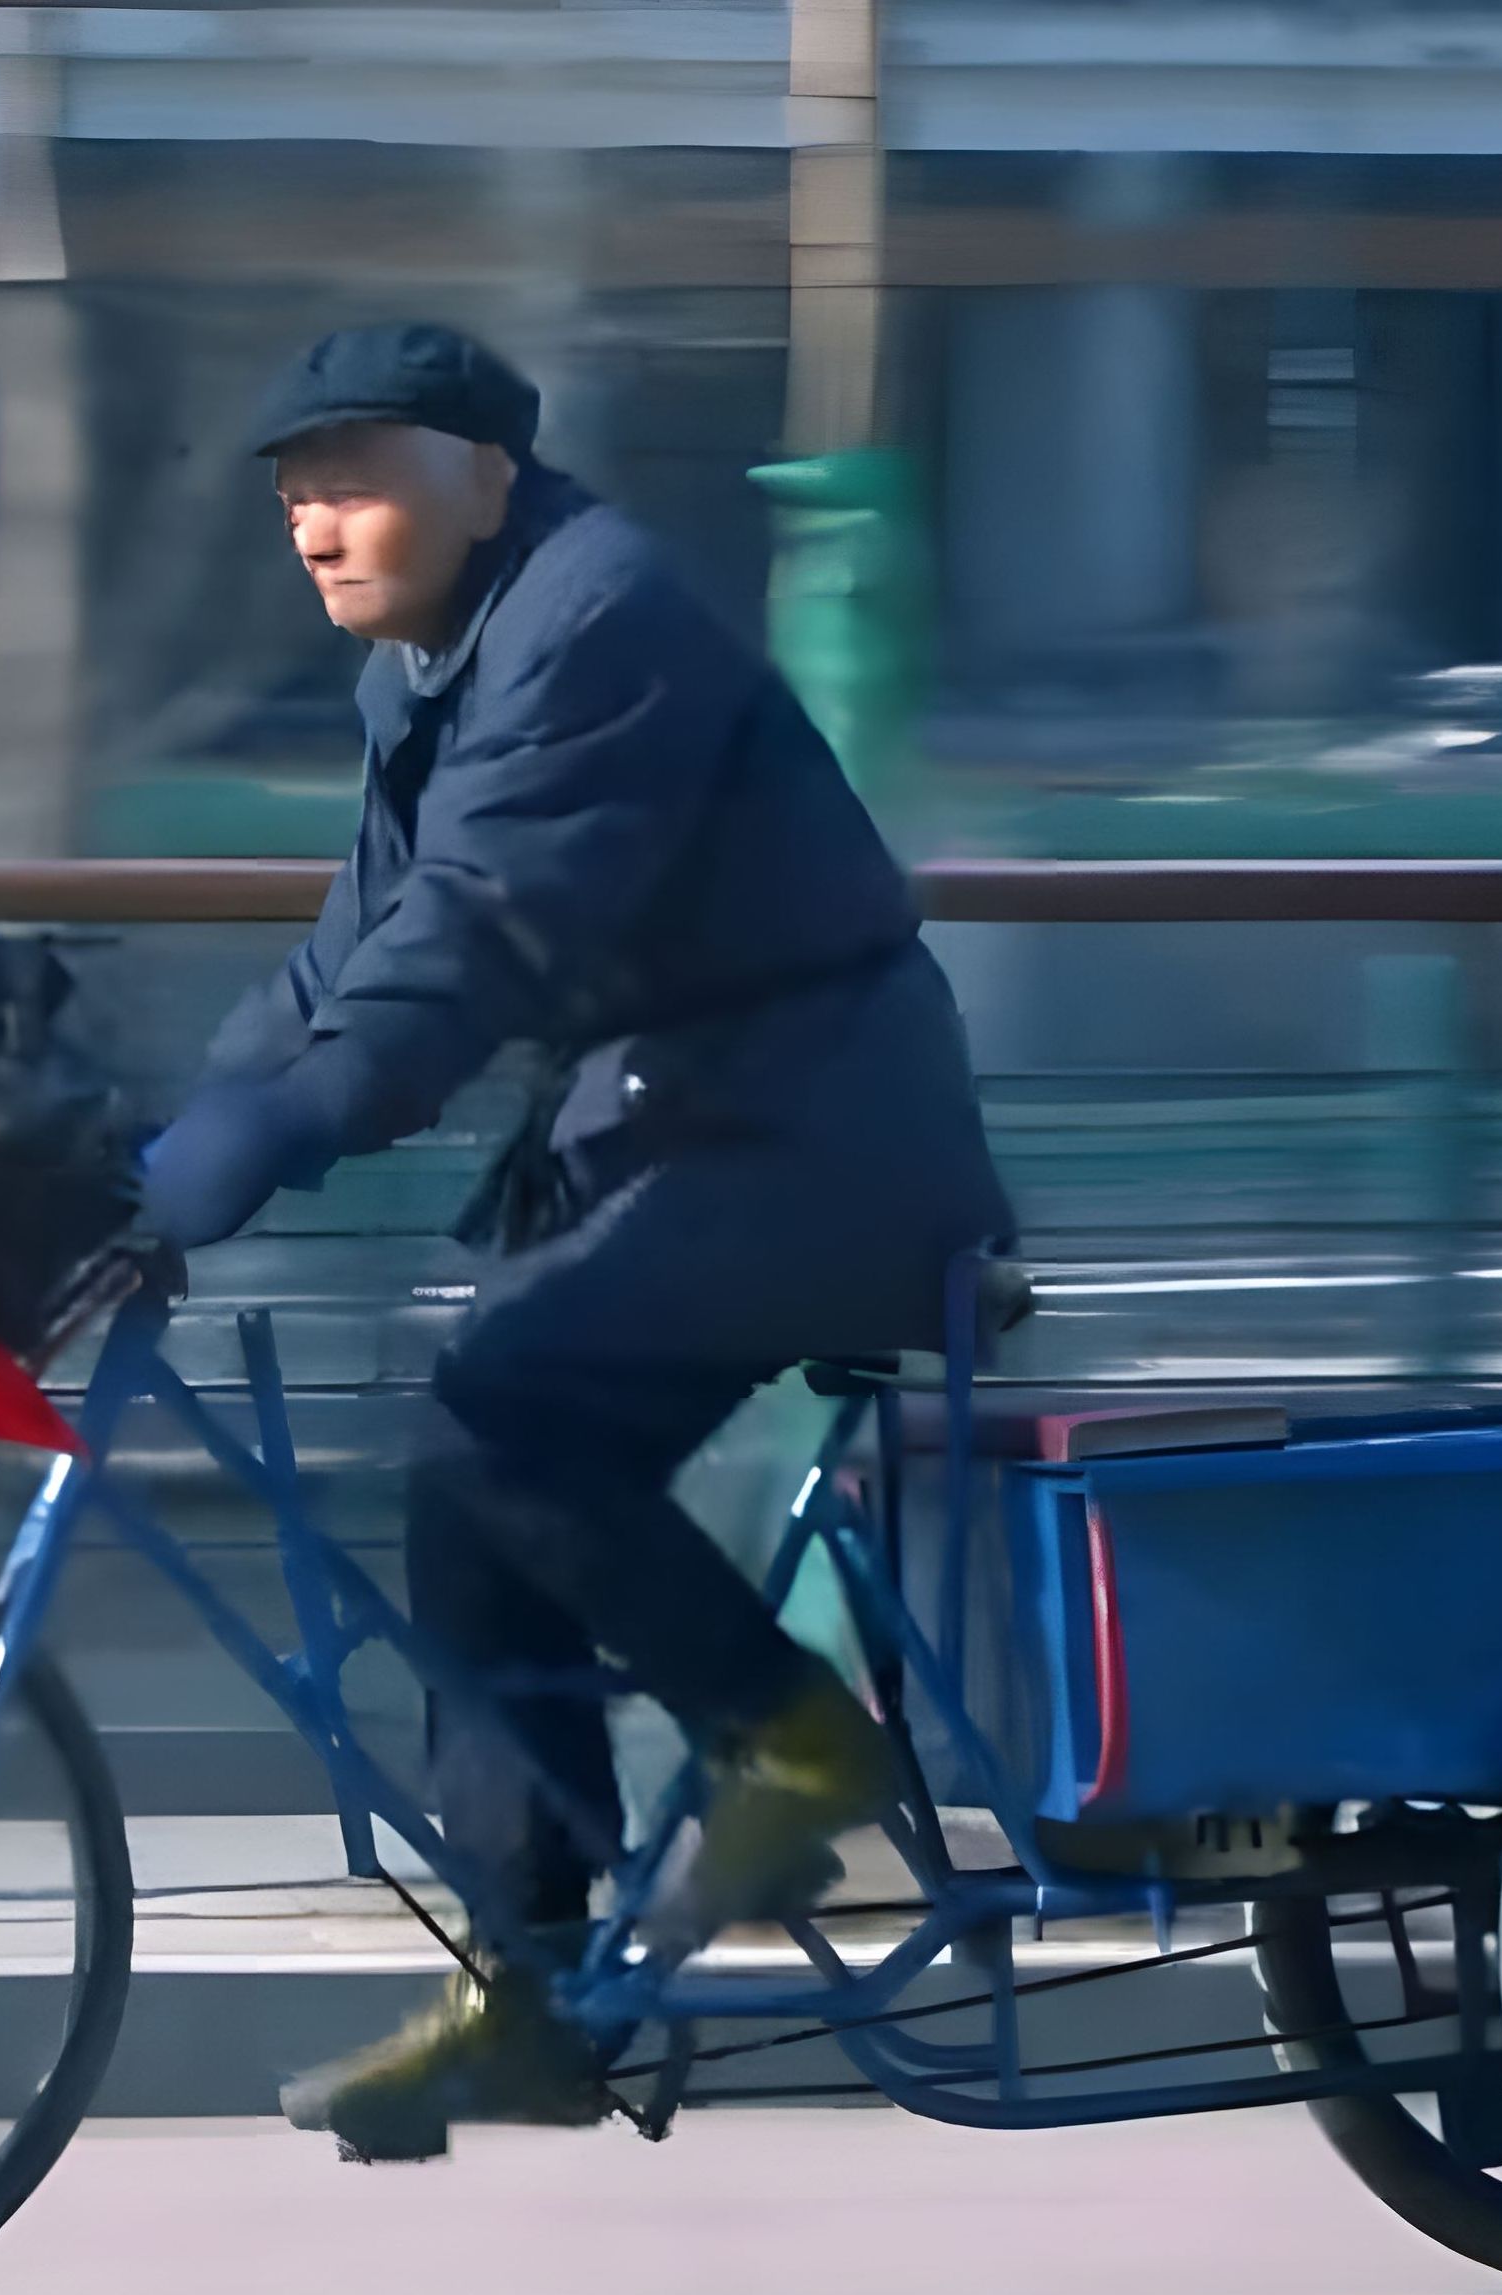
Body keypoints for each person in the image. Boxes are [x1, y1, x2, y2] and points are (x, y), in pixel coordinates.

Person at [137, 323, 1014, 2161]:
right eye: (294, 494)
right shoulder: (431, 660)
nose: (314, 525)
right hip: (676, 1128)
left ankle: (791, 1736)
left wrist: (273, 1136)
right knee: (472, 1477)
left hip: (817, 1135)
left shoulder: (596, 619)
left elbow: (477, 941)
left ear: (482, 471)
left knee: (494, 1412)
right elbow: (347, 958)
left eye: (354, 478)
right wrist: (175, 1130)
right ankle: (532, 1983)